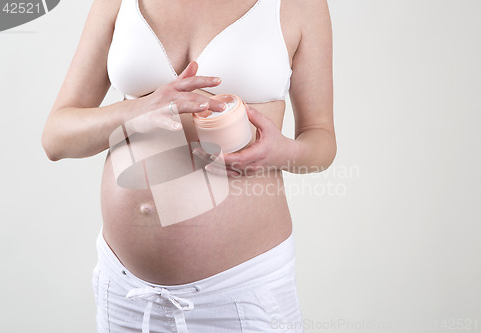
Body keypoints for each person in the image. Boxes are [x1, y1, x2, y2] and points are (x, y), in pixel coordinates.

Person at [41, 0, 335, 332]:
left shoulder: (300, 6)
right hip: (127, 295)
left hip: (242, 292)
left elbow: (321, 140)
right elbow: (56, 137)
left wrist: (281, 152)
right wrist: (136, 111)